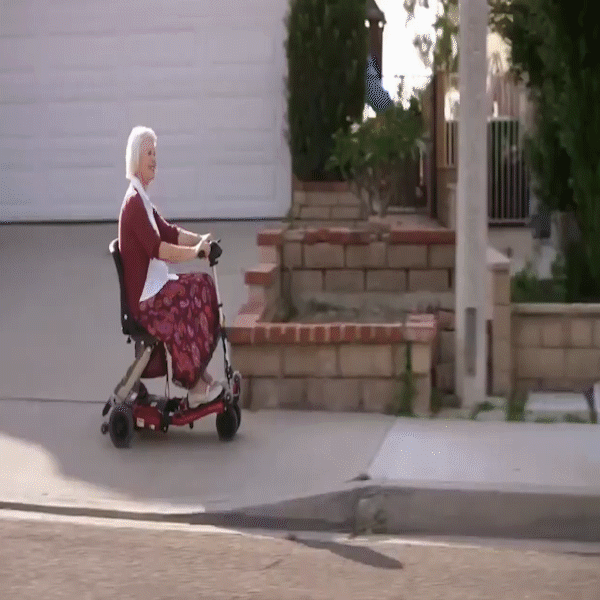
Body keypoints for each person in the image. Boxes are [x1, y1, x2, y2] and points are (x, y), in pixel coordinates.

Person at [118, 125, 224, 409]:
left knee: (201, 286)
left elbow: (169, 232)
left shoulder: (142, 200)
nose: (154, 159)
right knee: (184, 302)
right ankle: (194, 385)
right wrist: (194, 252)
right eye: (148, 154)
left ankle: (197, 373)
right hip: (145, 301)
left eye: (155, 153)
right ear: (135, 158)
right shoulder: (133, 204)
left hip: (155, 287)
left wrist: (200, 240)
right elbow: (159, 249)